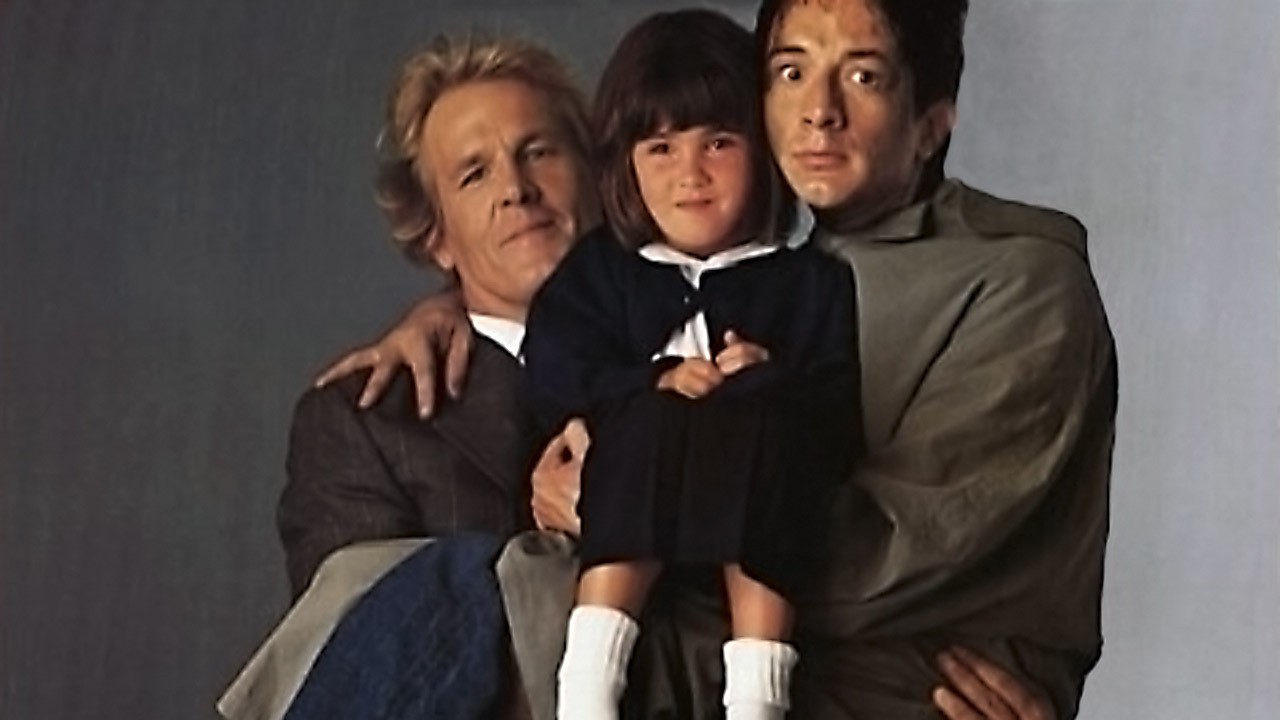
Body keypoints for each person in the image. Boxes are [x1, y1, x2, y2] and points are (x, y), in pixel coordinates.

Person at [314, 1, 1109, 715]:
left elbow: (898, 555)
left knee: (459, 610)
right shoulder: (792, 260)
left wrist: (628, 502)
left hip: (883, 681)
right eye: (791, 72)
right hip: (709, 654)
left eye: (863, 75)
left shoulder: (1013, 281)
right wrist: (448, 307)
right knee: (377, 601)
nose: (818, 112)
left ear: (932, 122)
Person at [521, 11, 857, 720]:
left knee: (767, 437)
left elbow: (837, 408)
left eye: (719, 143)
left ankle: (759, 694)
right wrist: (652, 381)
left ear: (764, 148)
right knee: (646, 425)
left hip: (754, 499)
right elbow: (555, 368)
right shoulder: (603, 272)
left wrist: (765, 375)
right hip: (637, 491)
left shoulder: (809, 281)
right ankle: (588, 683)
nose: (691, 174)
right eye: (661, 149)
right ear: (626, 163)